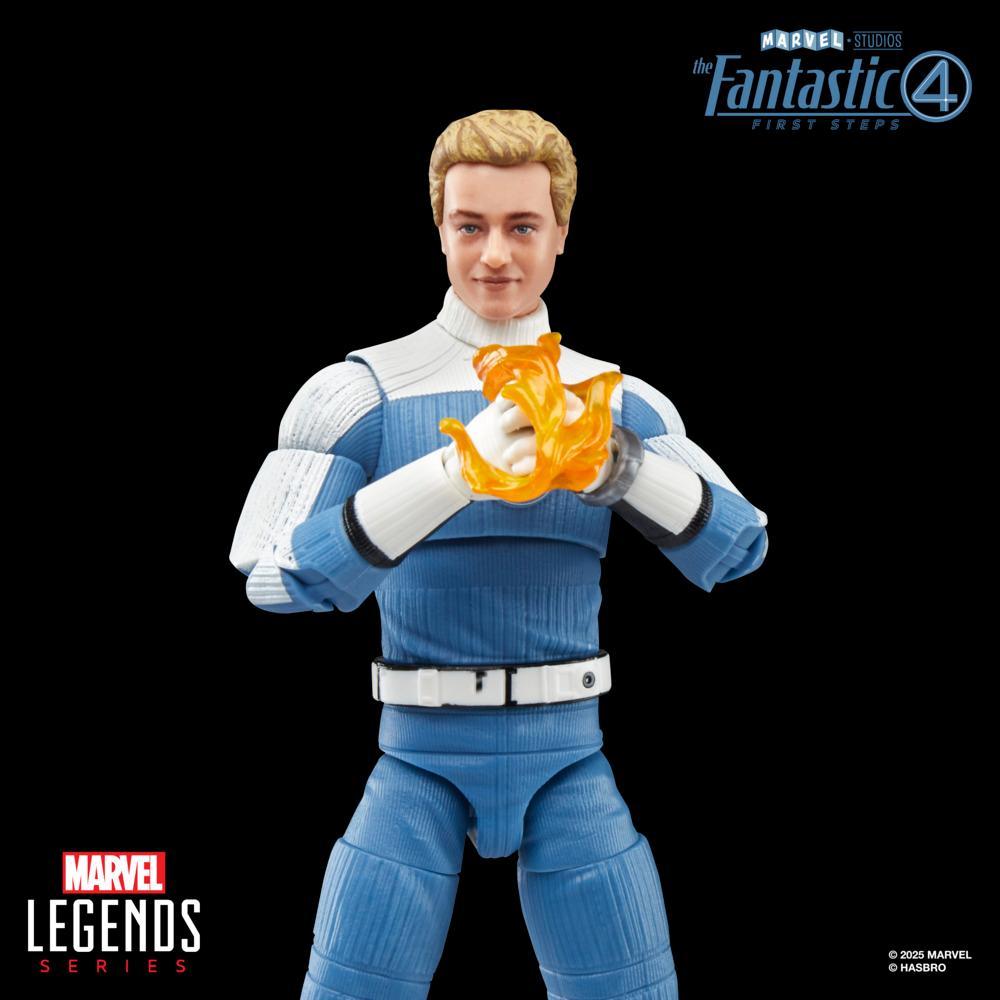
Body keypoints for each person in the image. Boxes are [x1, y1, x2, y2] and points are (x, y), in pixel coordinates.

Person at [229, 108, 768, 1000]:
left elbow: (740, 545)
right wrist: (451, 473)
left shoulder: (618, 399)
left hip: (570, 755)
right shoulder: (359, 393)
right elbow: (274, 577)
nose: (494, 256)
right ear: (439, 227)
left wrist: (618, 465)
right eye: (469, 225)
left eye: (522, 226)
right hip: (416, 755)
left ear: (561, 232)